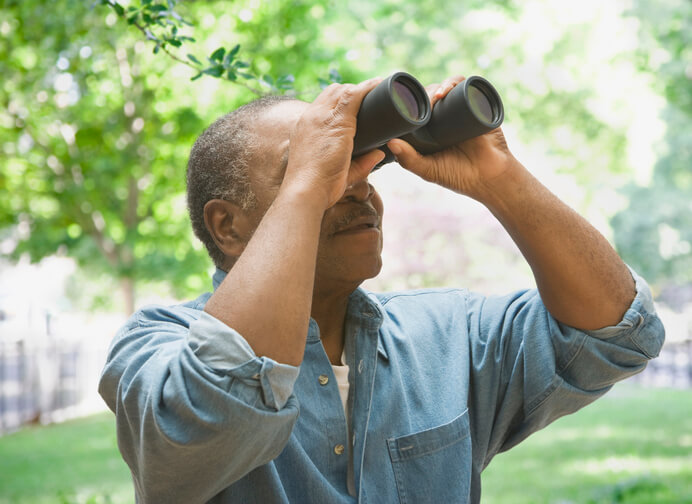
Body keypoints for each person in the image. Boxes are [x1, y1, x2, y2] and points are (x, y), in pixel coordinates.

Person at [99, 76, 665, 503]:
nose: (356, 189)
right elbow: (203, 419)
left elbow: (614, 334)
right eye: (309, 167)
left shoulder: (446, 334)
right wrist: (307, 184)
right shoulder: (156, 346)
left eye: (360, 168)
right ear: (228, 226)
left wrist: (499, 177)